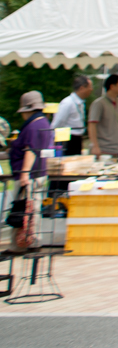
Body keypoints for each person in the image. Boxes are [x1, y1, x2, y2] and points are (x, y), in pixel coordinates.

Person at [7, 91, 54, 251]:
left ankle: (21, 245)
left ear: (28, 110)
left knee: (22, 210)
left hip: (30, 175)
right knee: (33, 209)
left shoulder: (33, 126)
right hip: (40, 173)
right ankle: (31, 242)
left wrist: (24, 173)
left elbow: (30, 150)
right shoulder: (44, 123)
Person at [51, 75, 91, 156]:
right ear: (82, 88)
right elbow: (58, 122)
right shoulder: (67, 103)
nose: (91, 89)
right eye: (89, 87)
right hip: (68, 139)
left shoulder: (81, 103)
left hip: (77, 138)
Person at [88, 73, 118, 157]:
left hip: (117, 148)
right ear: (112, 86)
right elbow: (92, 125)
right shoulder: (99, 103)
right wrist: (95, 146)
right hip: (103, 149)